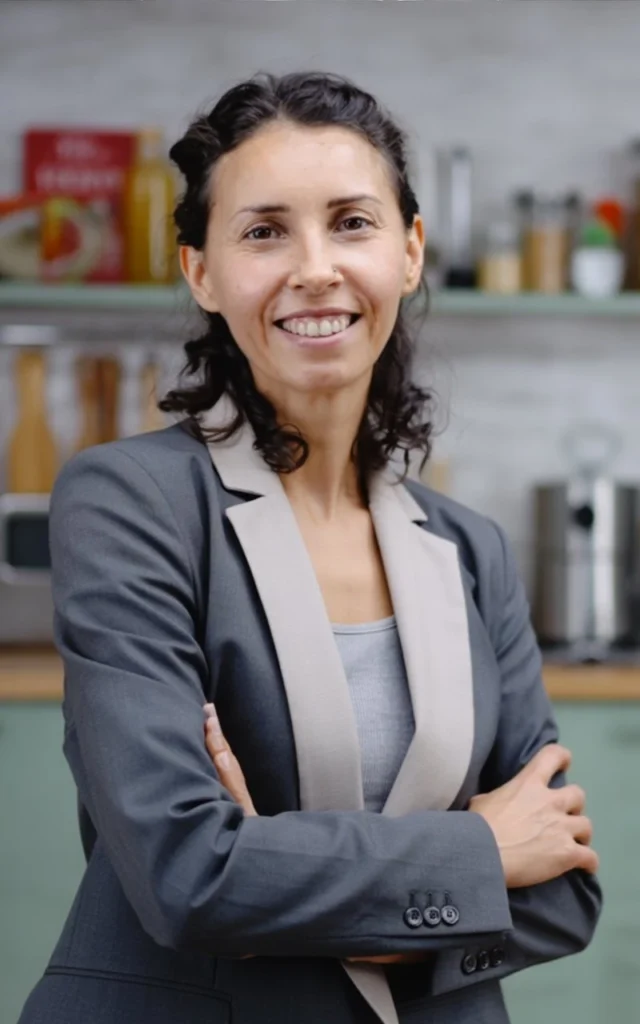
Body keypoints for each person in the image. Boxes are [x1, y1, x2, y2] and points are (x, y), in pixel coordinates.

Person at [19, 72, 601, 1024]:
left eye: (351, 222)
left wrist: (279, 887)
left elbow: (566, 892)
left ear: (410, 252)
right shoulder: (131, 503)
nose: (314, 266)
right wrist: (479, 856)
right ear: (200, 271)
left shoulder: (471, 552)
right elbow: (186, 875)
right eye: (263, 231)